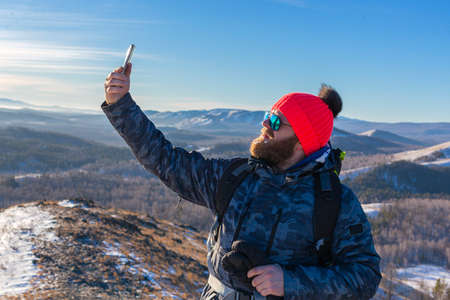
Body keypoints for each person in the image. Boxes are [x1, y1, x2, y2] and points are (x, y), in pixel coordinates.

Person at [102, 64, 381, 300]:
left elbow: (364, 276)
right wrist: (121, 104)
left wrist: (291, 282)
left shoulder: (334, 201)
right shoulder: (237, 177)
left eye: (276, 122)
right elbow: (166, 160)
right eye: (266, 117)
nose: (265, 127)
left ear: (302, 141)